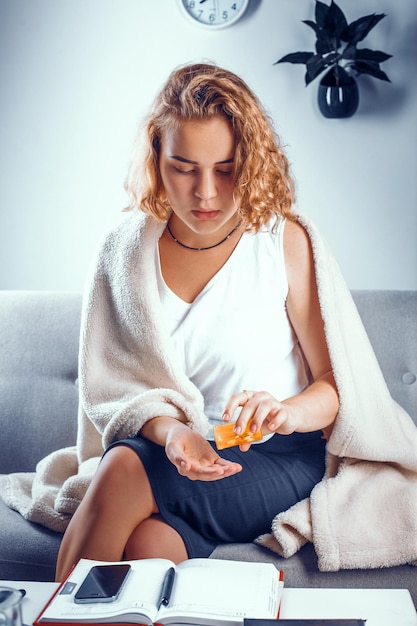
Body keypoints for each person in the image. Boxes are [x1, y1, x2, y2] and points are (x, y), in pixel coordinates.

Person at [55, 62, 340, 581]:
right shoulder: (125, 251)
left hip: (278, 458)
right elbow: (118, 391)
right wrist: (172, 436)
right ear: (156, 159)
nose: (205, 193)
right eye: (184, 167)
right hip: (173, 452)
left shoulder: (283, 241)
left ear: (250, 163)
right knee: (148, 544)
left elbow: (334, 386)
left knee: (122, 467)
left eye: (226, 169)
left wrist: (284, 411)